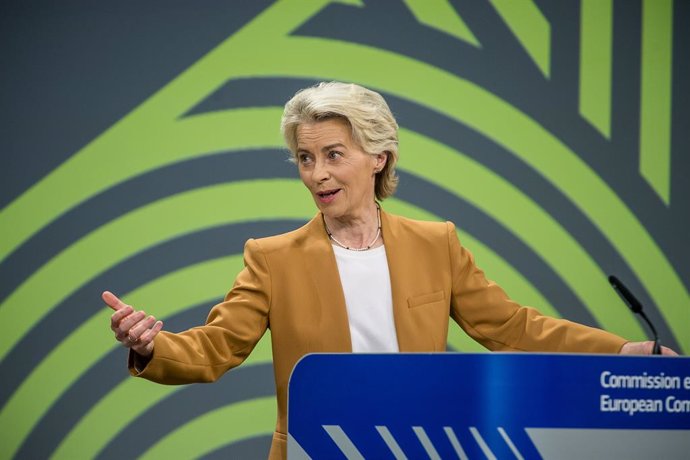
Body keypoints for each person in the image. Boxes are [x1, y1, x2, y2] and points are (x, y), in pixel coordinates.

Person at [104, 81, 677, 459]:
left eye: (333, 154)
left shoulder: (437, 243)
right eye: (305, 157)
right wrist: (153, 347)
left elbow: (512, 327)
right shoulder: (272, 257)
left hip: (418, 447)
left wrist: (619, 353)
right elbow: (215, 349)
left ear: (378, 158)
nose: (317, 173)